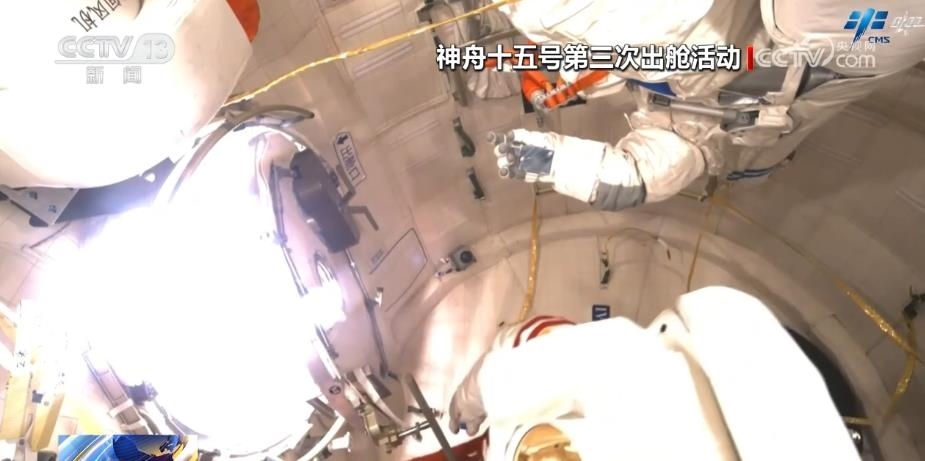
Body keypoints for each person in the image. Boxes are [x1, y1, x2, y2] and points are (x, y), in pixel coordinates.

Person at [487, 0, 925, 210]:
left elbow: (635, 175)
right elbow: (638, 174)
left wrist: (554, 160)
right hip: (831, 52)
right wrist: (553, 160)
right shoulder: (687, 115)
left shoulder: (654, 79)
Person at [447, 286, 860, 460]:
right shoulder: (633, 376)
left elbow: (534, 364)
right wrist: (471, 402)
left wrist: (469, 403)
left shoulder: (637, 376)